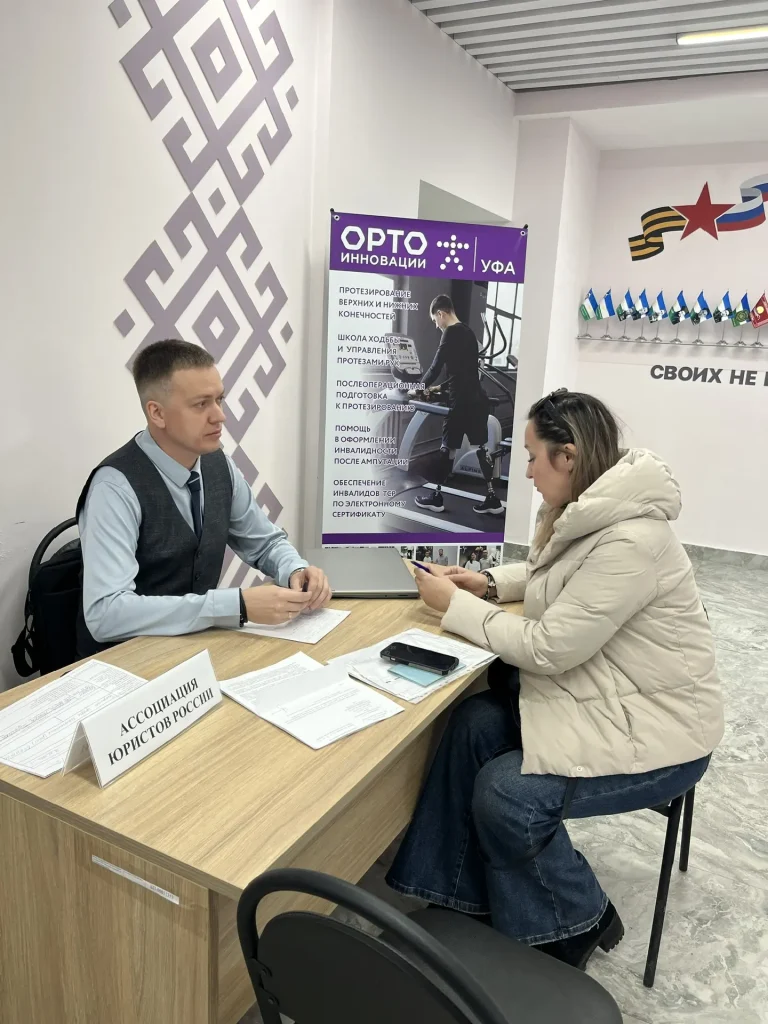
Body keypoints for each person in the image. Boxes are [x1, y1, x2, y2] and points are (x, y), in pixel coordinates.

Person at [387, 388, 723, 970]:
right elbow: (560, 572)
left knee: (506, 795)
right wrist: (487, 584)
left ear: (567, 456)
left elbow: (549, 648)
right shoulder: (595, 509)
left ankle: (580, 919)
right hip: (612, 701)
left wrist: (456, 607)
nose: (525, 471)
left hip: (663, 735)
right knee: (472, 724)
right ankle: (460, 894)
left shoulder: (632, 538)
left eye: (531, 457)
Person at [76, 339, 331, 655]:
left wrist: (294, 569)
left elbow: (264, 543)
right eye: (201, 405)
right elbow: (106, 614)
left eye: (219, 400)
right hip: (124, 662)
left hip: (193, 653)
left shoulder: (218, 463)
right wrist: (237, 605)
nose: (219, 416)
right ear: (157, 413)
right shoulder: (113, 488)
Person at [412, 295, 502, 516]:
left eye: (435, 320)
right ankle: (493, 499)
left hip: (459, 403)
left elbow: (435, 366)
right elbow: (463, 373)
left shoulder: (450, 333)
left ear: (441, 313)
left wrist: (418, 388)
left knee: (447, 448)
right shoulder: (469, 332)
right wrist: (438, 388)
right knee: (481, 447)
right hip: (477, 400)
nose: (436, 325)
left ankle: (436, 498)